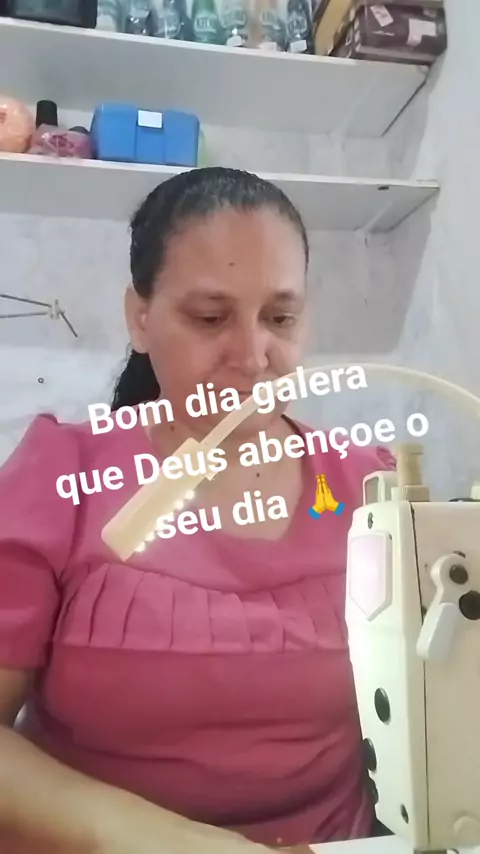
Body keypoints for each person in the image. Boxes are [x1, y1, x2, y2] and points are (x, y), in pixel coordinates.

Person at [0, 167, 395, 854]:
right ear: (140, 317)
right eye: (211, 318)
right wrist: (158, 839)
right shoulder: (64, 473)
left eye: (280, 317)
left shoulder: (367, 484)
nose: (253, 357)